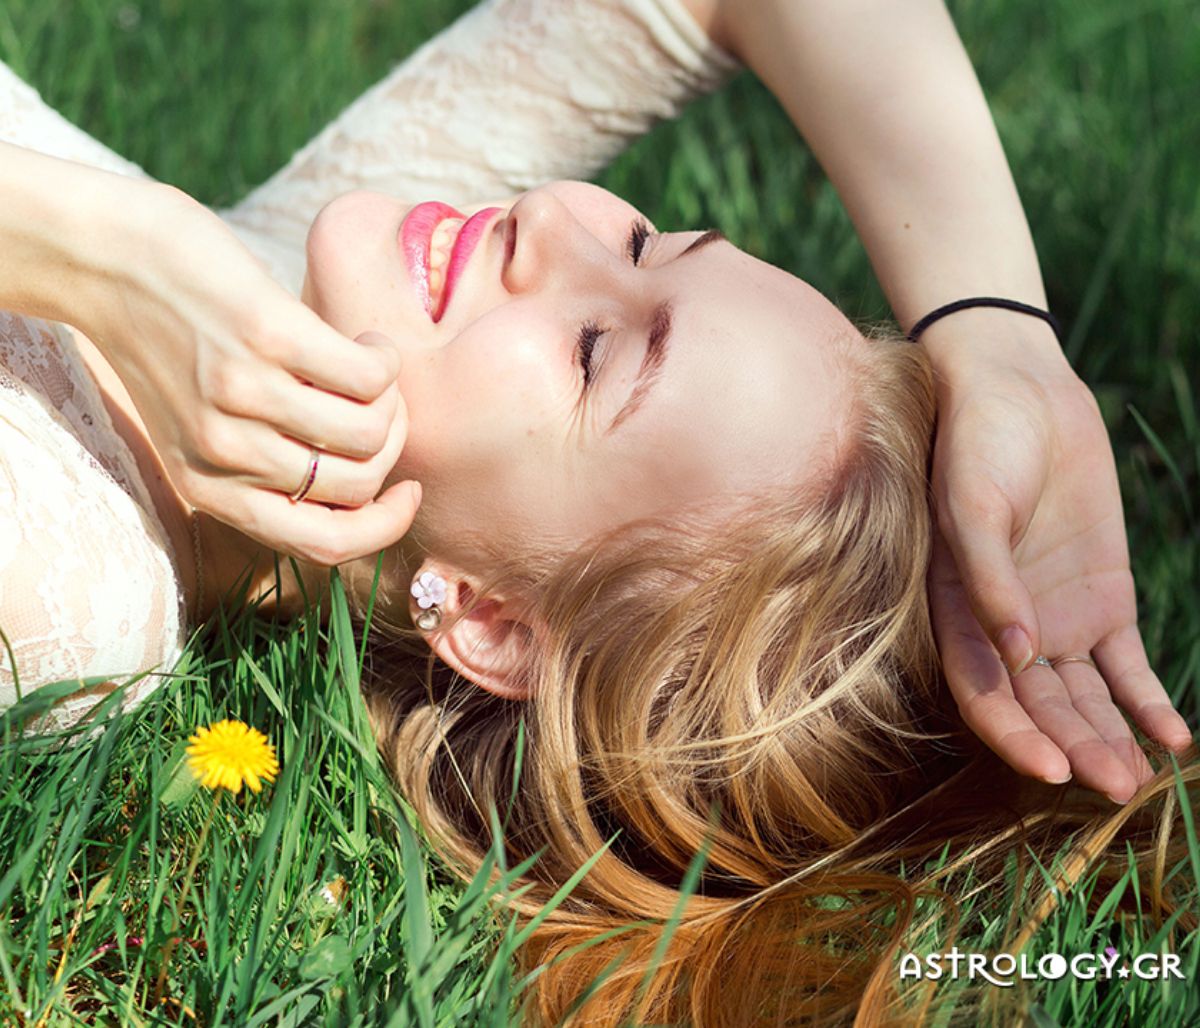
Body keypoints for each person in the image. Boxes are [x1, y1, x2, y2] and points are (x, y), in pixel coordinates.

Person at [0, 0, 1193, 1020]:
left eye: (589, 351)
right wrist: (1003, 341)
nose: (554, 223)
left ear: (491, 621)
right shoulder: (301, 301)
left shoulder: (60, 587)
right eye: (645, 236)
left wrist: (101, 254)